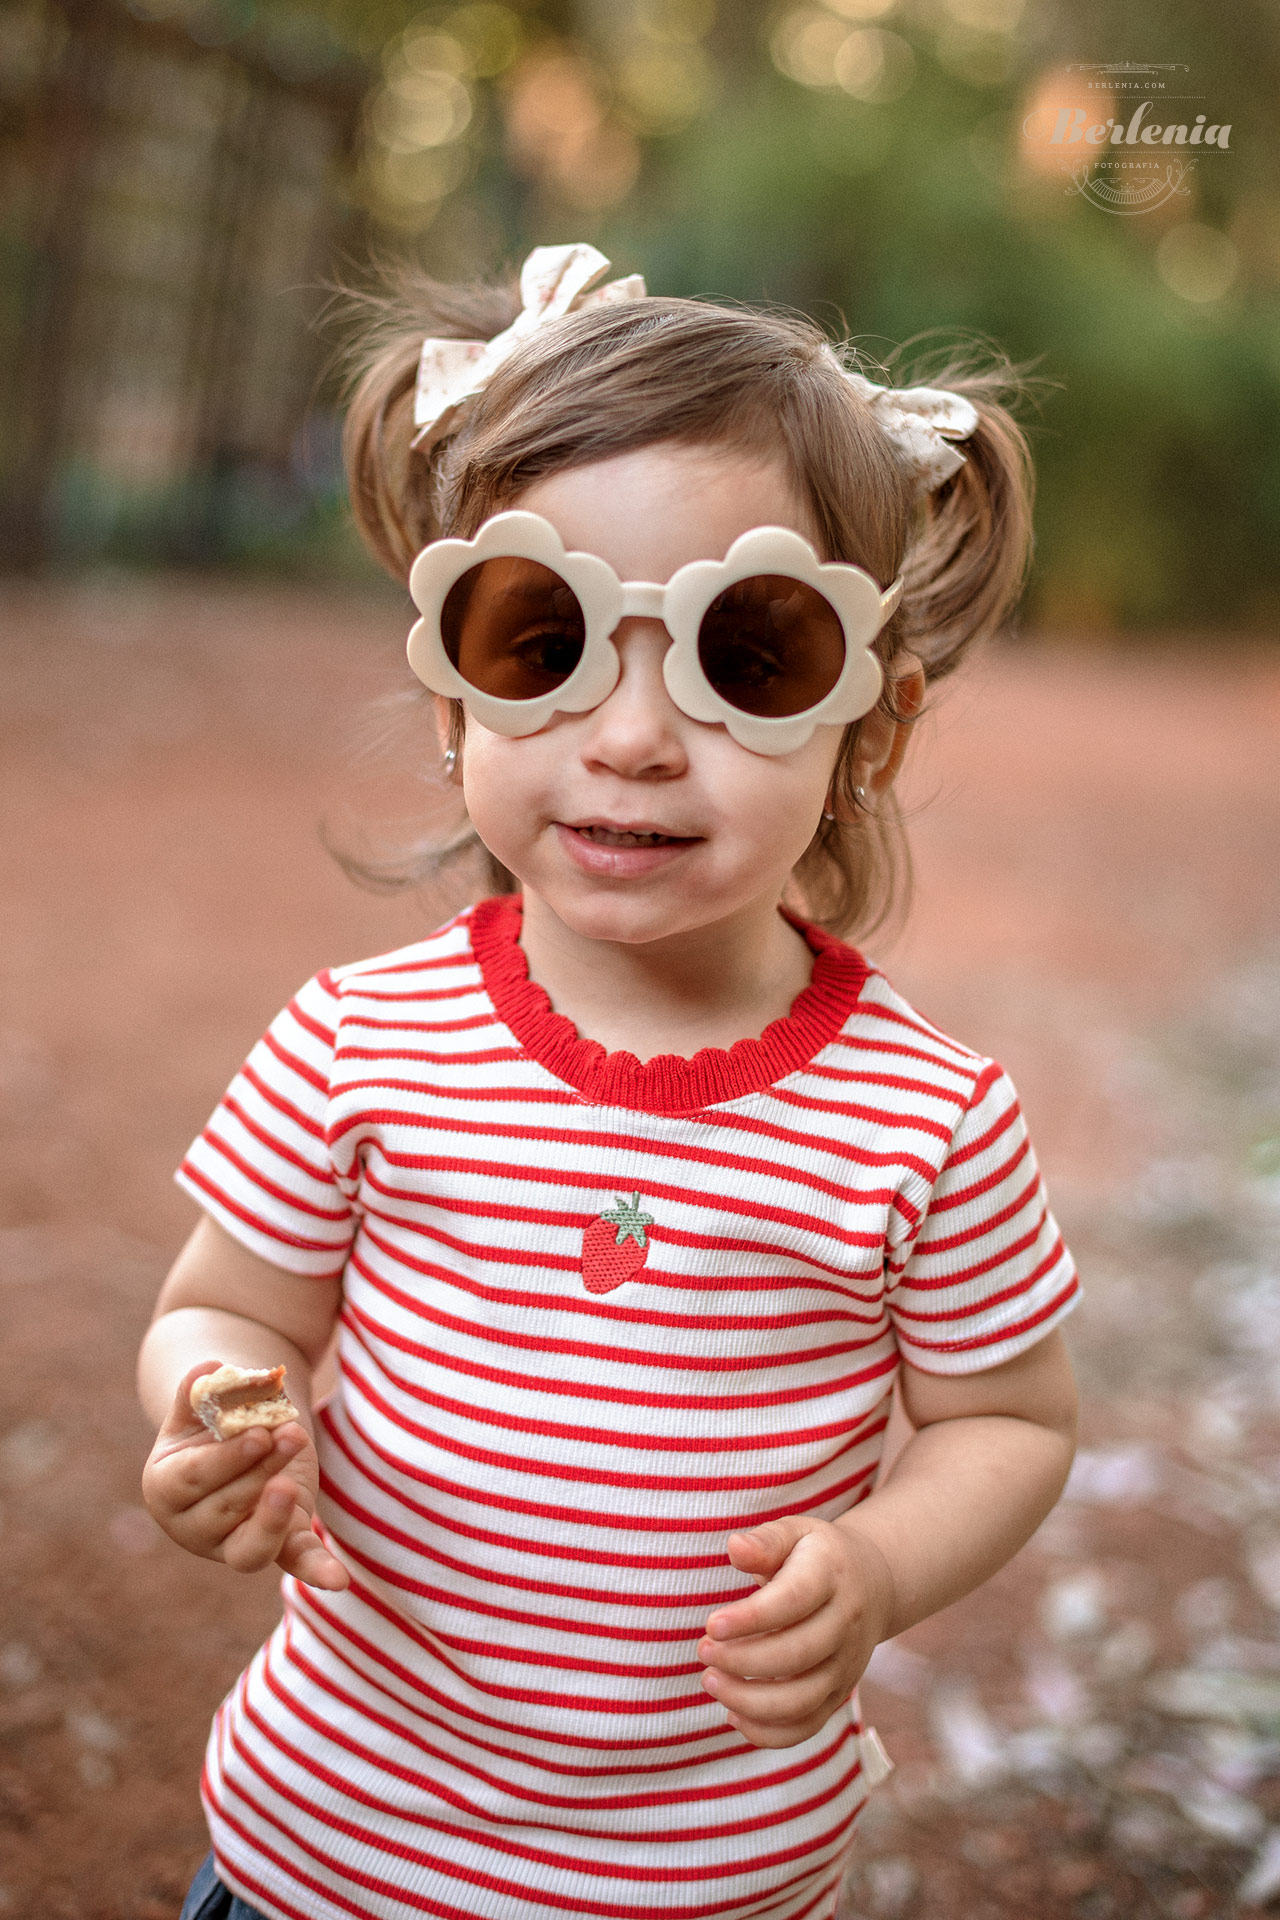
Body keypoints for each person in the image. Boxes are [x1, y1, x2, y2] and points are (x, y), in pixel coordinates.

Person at [139, 243, 1080, 1920]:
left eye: (751, 655)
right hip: (328, 1830)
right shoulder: (363, 1042)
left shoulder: (926, 1119)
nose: (634, 736)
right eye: (543, 636)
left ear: (874, 727)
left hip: (697, 1872)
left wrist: (877, 1564)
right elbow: (228, 1311)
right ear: (449, 692)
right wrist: (218, 1409)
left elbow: (1005, 1420)